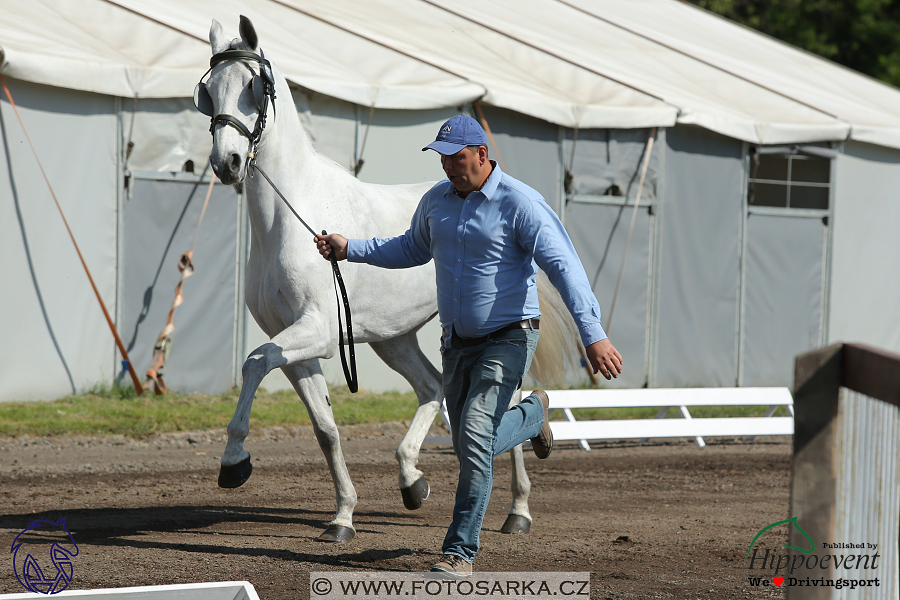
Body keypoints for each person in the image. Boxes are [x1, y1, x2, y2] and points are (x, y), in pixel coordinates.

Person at [315, 114, 622, 577]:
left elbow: (564, 267)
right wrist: (349, 248)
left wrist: (592, 333)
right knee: (468, 444)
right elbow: (410, 248)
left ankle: (460, 552)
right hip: (457, 342)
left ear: (482, 154)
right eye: (443, 159)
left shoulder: (521, 203)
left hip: (510, 337)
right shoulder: (436, 201)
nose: (449, 168)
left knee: (475, 438)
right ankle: (534, 414)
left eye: (457, 158)